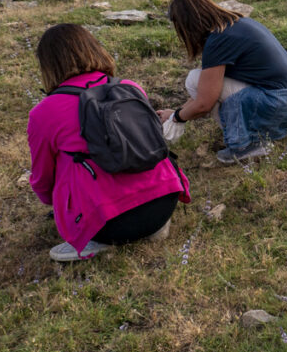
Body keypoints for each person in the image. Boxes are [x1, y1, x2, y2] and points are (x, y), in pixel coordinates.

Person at [28, 24, 191, 262]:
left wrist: (57, 206)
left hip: (107, 224)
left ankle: (96, 239)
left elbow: (43, 180)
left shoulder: (44, 113)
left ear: (48, 65)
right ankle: (150, 227)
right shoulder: (130, 88)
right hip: (163, 204)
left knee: (68, 161)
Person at [158, 0, 287, 163]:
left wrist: (177, 118)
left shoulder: (218, 40)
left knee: (194, 80)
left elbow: (205, 103)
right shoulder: (237, 23)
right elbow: (210, 88)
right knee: (201, 81)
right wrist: (175, 113)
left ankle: (247, 144)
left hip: (279, 102)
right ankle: (254, 133)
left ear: (186, 24)